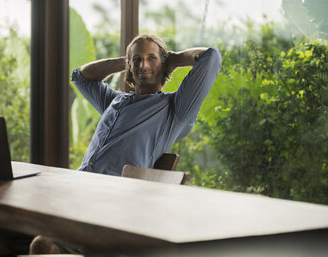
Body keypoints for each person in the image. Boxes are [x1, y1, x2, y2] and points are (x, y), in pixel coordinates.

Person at [29, 33, 222, 253]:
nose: (143, 65)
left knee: (41, 245)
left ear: (163, 62)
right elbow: (80, 77)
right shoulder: (115, 101)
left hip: (111, 208)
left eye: (152, 58)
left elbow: (211, 57)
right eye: (138, 59)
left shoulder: (175, 110)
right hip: (74, 197)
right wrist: (127, 61)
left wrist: (173, 59)